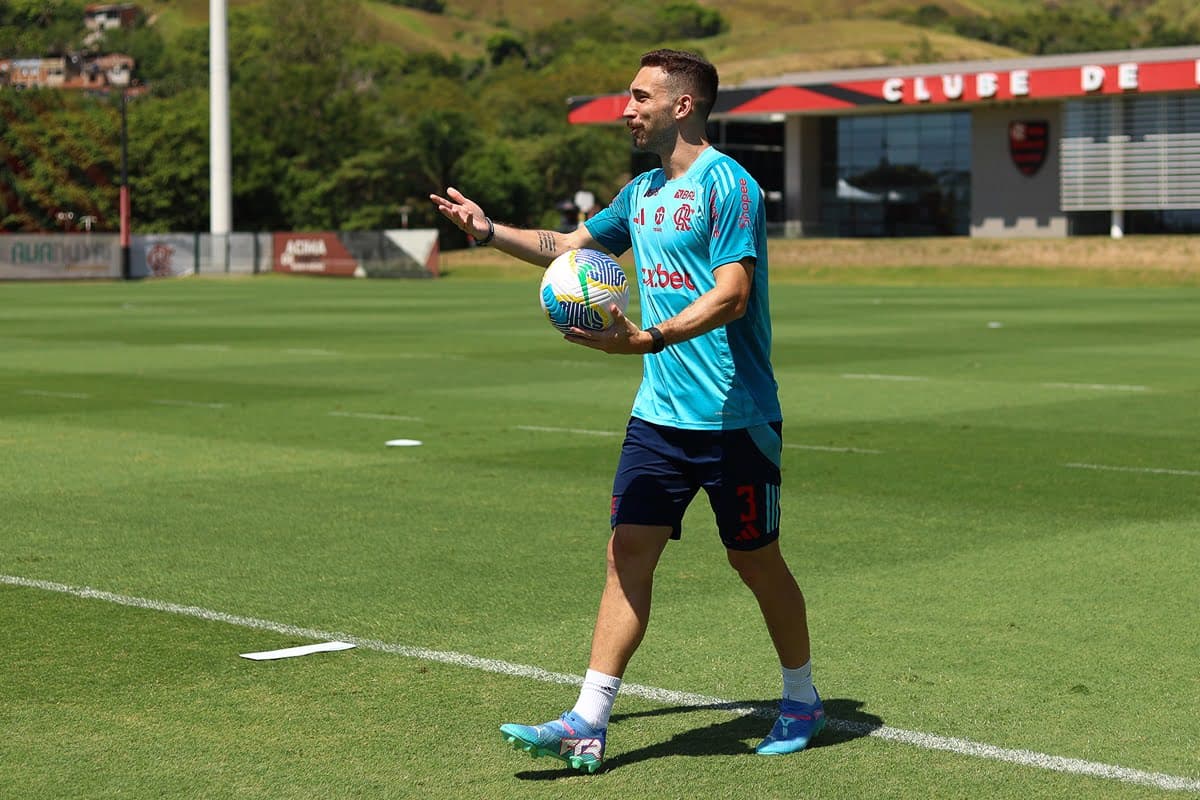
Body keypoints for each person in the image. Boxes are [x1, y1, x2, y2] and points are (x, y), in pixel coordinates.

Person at [430, 48, 822, 774]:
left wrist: (649, 337)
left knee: (754, 560)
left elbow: (734, 292)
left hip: (737, 418)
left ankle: (800, 697)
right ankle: (588, 720)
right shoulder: (640, 193)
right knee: (626, 555)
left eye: (640, 96)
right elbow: (567, 246)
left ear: (683, 105)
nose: (626, 108)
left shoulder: (728, 186)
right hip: (658, 418)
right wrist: (488, 232)